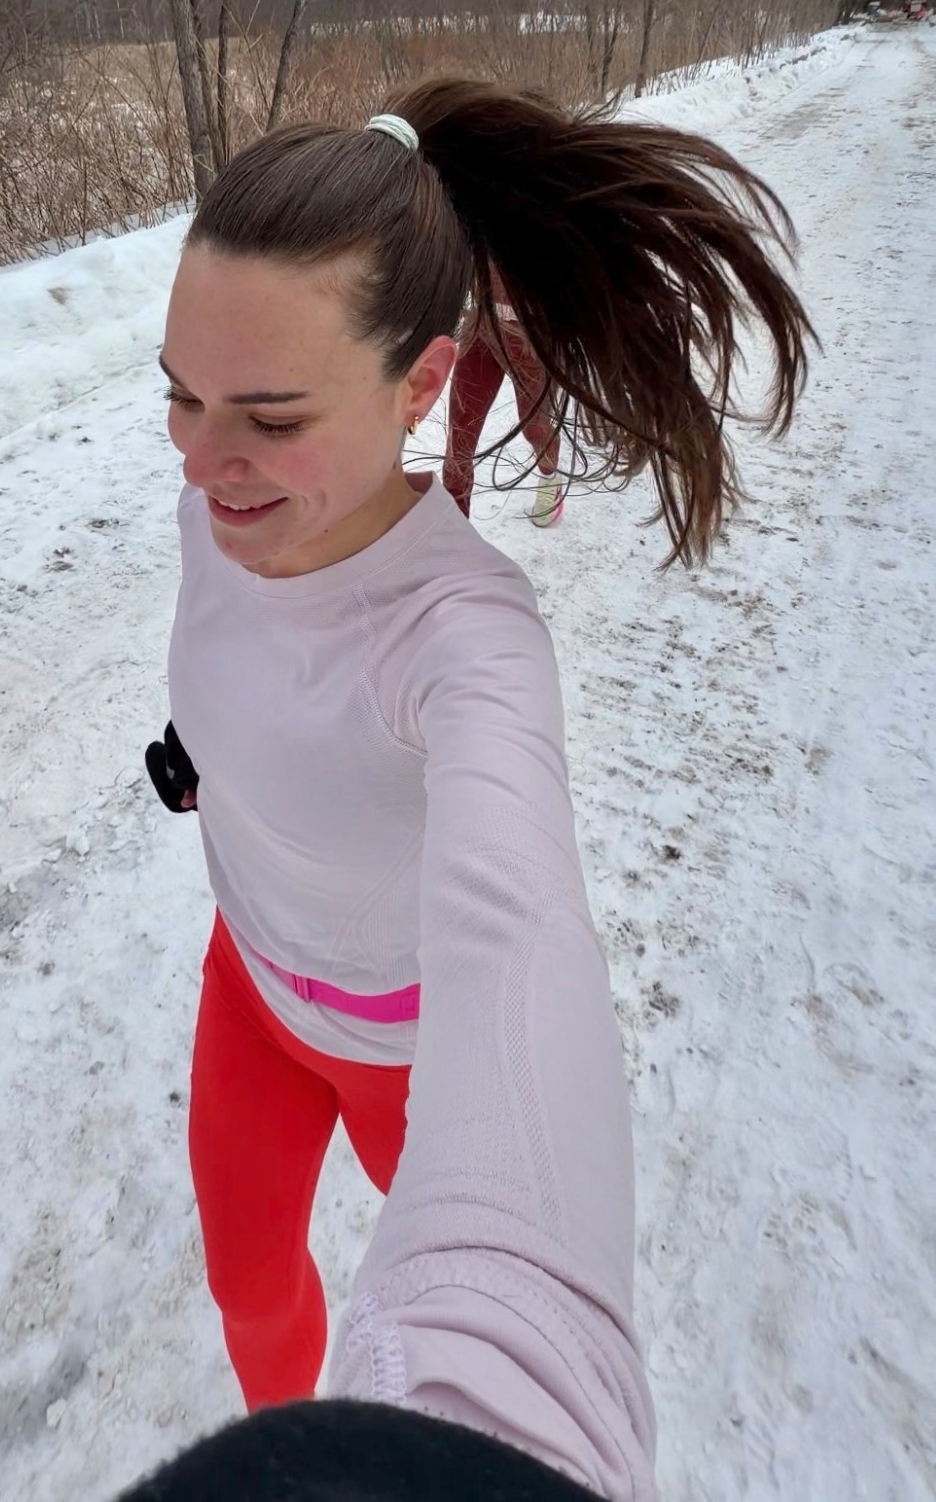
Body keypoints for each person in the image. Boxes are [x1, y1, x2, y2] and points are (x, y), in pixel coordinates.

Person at [147, 79, 811, 1498]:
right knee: (250, 1289)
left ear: (422, 384)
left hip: (407, 1047)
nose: (200, 461)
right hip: (247, 990)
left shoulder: (469, 638)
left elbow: (523, 935)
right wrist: (201, 755)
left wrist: (494, 1430)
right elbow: (247, 662)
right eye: (180, 394)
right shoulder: (228, 507)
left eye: (267, 413)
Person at [442, 289, 563, 525]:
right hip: (481, 327)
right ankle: (454, 529)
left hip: (531, 335)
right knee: (460, 437)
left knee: (535, 427)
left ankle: (550, 477)